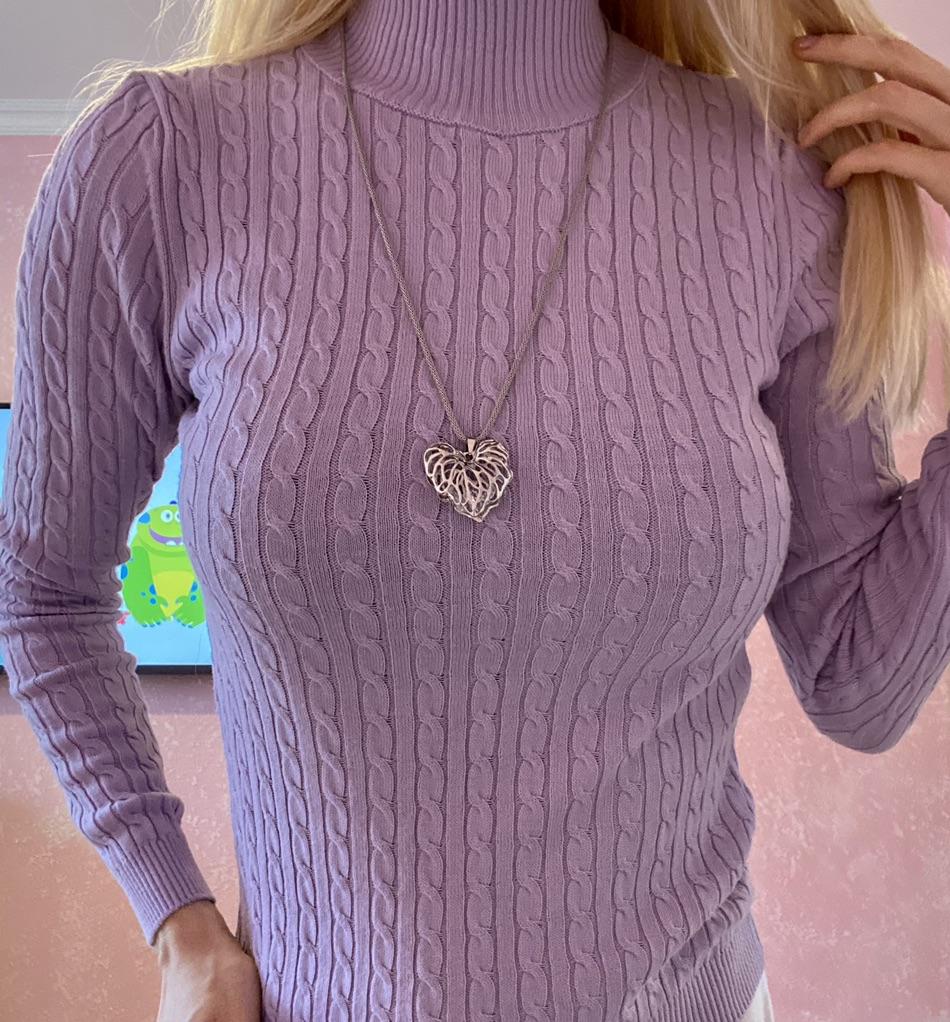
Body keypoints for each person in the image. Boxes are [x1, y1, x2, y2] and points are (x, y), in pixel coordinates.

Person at [1, 0, 948, 1019]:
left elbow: (859, 680)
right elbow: (40, 588)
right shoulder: (163, 162)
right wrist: (178, 919)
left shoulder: (774, 184)